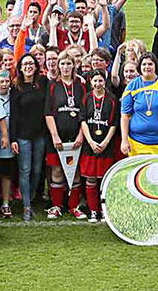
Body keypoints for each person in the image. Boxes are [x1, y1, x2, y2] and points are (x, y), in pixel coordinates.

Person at [44, 50, 87, 220]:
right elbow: (48, 113)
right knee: (57, 171)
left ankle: (74, 206)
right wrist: (54, 136)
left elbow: (85, 112)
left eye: (69, 63)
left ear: (74, 65)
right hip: (57, 137)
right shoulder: (53, 85)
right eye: (62, 63)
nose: (66, 67)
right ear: (58, 65)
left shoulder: (82, 85)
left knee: (75, 171)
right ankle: (56, 206)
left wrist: (81, 136)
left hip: (77, 137)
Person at [10, 54, 48, 221]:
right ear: (20, 67)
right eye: (25, 64)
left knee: (37, 170)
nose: (28, 67)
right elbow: (14, 116)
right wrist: (13, 138)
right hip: (23, 136)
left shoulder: (43, 83)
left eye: (31, 63)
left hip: (40, 134)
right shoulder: (16, 87)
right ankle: (26, 206)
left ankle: (31, 197)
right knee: (24, 171)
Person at [120, 52, 158, 156]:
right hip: (136, 143)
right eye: (144, 64)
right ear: (139, 67)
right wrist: (124, 140)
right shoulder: (132, 86)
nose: (147, 67)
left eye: (150, 64)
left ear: (155, 66)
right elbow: (125, 115)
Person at [79, 69, 118, 223]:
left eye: (100, 80)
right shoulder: (86, 98)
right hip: (90, 145)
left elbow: (114, 124)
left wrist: (105, 142)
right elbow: (82, 120)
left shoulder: (112, 100)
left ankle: (103, 210)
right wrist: (90, 141)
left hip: (105, 145)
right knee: (90, 179)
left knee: (103, 179)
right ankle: (93, 210)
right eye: (95, 81)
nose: (97, 84)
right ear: (90, 82)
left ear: (105, 81)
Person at [0, 70, 16, 218]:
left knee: (6, 174)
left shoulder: (13, 97)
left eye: (6, 81)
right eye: (1, 81)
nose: (4, 84)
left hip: (8, 141)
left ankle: (6, 203)